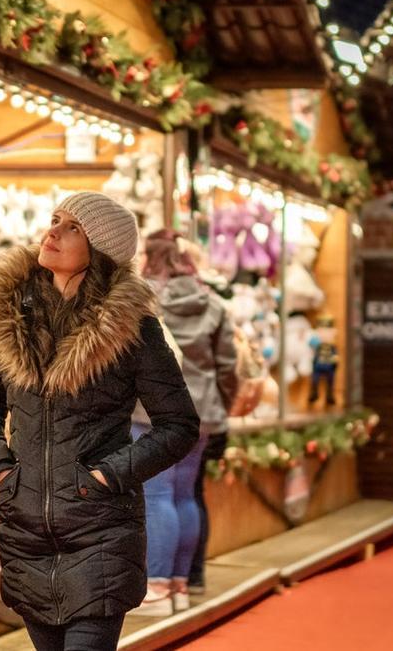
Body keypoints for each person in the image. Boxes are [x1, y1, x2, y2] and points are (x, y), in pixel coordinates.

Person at [0, 192, 201, 651]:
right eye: (54, 219)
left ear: (101, 249)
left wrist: (108, 475)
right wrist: (1, 471)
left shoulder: (131, 327)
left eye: (72, 226)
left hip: (101, 530)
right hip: (26, 533)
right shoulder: (10, 319)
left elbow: (178, 425)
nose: (52, 232)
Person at [131, 230, 238, 615]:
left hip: (152, 412)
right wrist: (220, 407)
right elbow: (228, 366)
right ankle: (179, 584)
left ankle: (156, 589)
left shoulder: (141, 299)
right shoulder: (212, 302)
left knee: (157, 496)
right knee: (184, 495)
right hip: (202, 412)